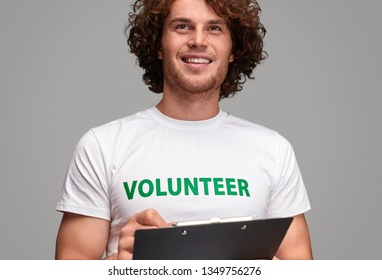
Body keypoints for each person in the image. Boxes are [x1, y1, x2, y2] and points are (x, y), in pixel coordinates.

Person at [55, 0, 313, 260]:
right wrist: (116, 268)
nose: (198, 40)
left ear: (233, 48)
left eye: (214, 28)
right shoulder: (101, 146)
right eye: (182, 27)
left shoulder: (273, 149)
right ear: (158, 44)